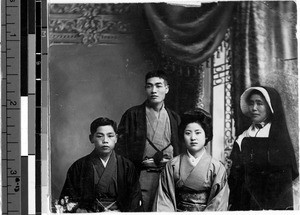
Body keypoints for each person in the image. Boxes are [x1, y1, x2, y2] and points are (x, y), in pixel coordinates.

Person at [116, 70, 181, 211]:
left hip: (168, 177)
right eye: (149, 86)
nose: (154, 90)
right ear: (145, 89)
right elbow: (120, 150)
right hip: (142, 176)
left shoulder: (174, 118)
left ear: (167, 89)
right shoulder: (132, 115)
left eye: (158, 86)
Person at [228, 86, 299, 210]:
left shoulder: (279, 139)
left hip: (272, 203)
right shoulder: (242, 137)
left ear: (270, 107)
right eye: (251, 103)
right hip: (244, 203)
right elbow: (235, 177)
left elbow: (284, 183)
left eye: (259, 103)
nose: (254, 108)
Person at [59, 117, 143, 212]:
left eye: (110, 136)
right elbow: (69, 199)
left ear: (116, 138)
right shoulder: (78, 167)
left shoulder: (127, 166)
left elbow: (135, 200)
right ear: (91, 138)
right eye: (99, 136)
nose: (105, 140)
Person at [153, 109, 229, 211]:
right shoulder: (172, 165)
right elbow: (164, 200)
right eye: (188, 133)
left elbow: (218, 203)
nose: (193, 138)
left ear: (206, 135)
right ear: (182, 136)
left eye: (198, 133)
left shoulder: (217, 168)